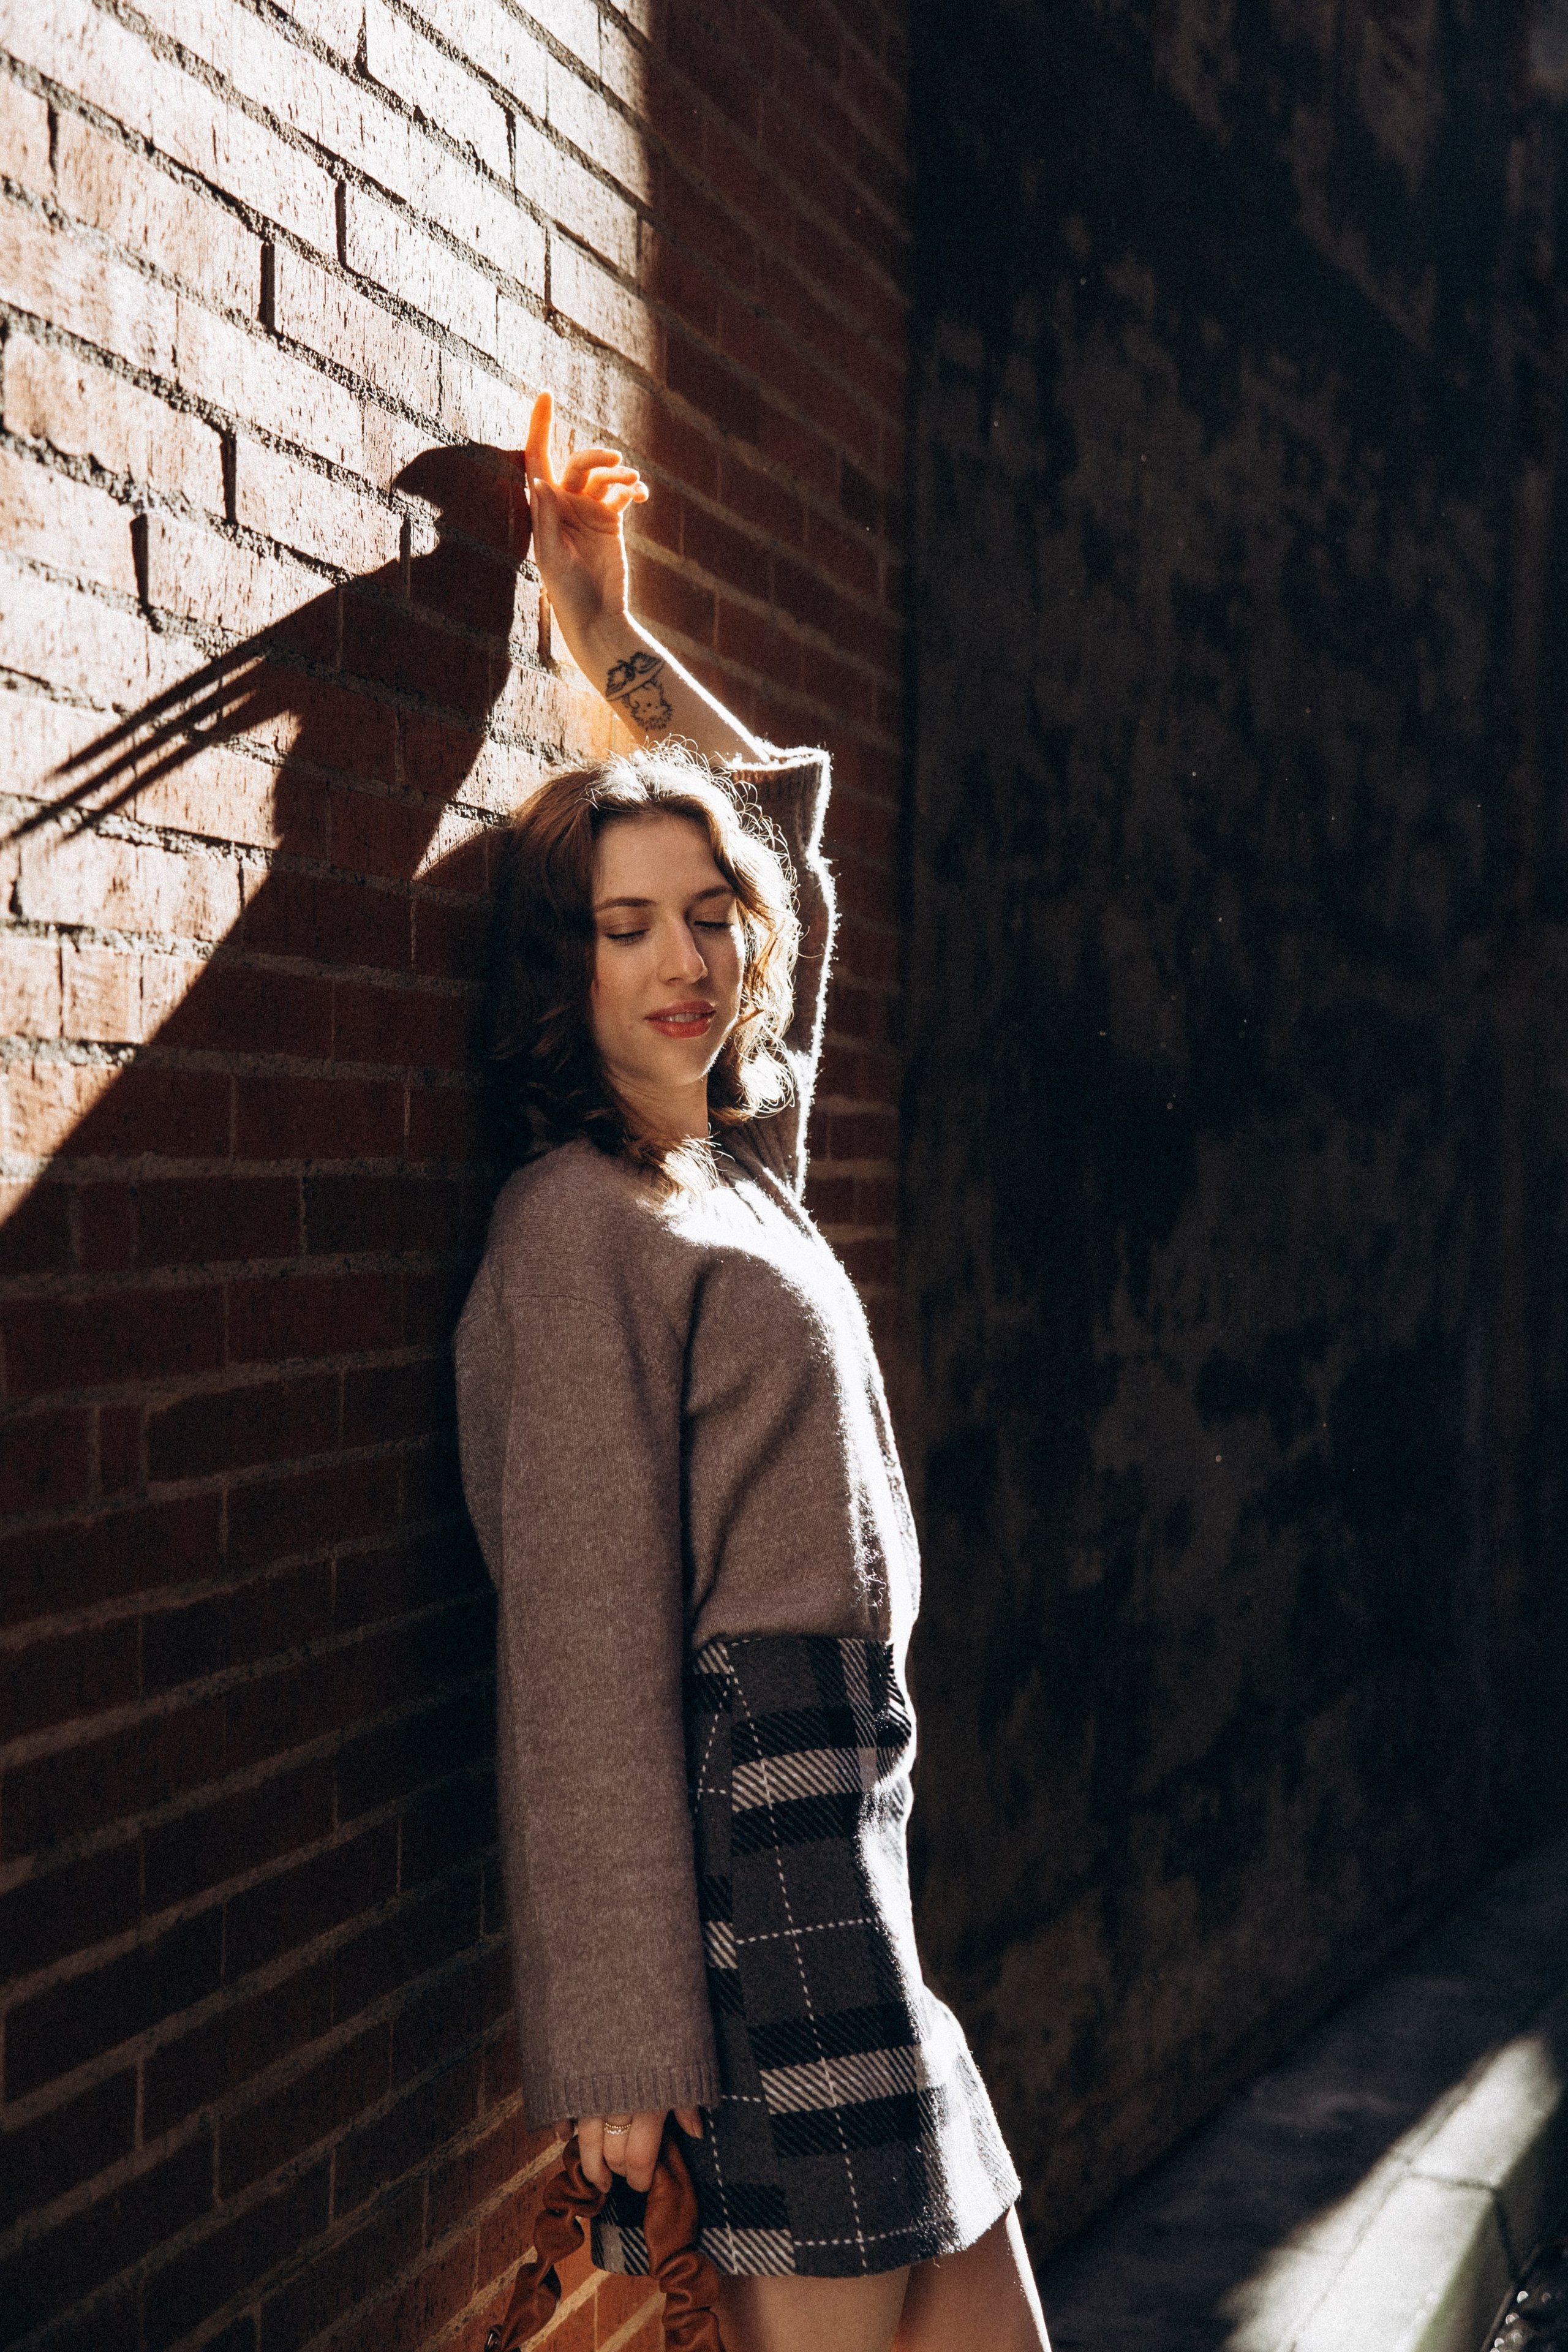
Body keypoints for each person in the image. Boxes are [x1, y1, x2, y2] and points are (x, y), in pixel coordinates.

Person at [454, 392, 1052, 2352]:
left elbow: (769, 823)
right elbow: (580, 1648)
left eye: (704, 923)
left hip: (856, 1849)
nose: (683, 959)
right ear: (566, 969)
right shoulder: (576, 1231)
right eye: (625, 930)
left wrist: (605, 632)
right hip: (760, 1869)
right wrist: (621, 2046)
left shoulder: (732, 1171)